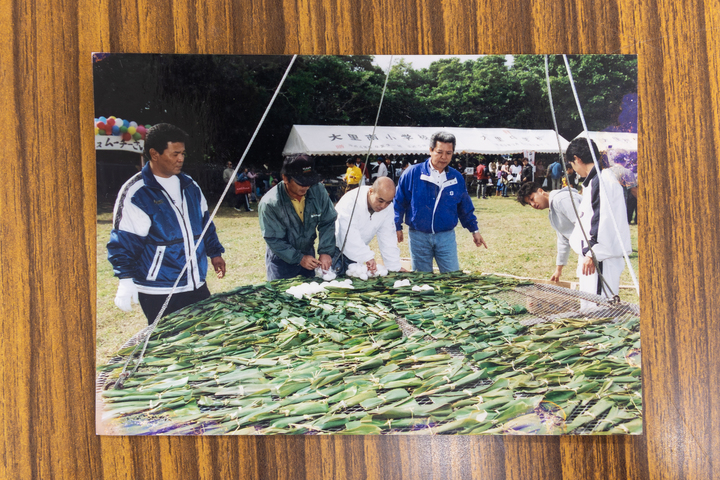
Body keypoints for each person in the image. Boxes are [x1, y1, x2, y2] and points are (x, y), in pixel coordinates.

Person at [108, 123, 226, 324]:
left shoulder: (190, 185)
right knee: (169, 346)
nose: (181, 159)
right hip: (159, 289)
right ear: (154, 154)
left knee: (205, 338)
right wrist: (125, 281)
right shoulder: (137, 193)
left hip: (196, 283)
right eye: (175, 154)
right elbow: (124, 241)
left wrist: (215, 253)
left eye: (183, 153)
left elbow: (205, 223)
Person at [394, 131, 487, 273]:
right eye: (439, 152)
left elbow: (465, 207)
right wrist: (397, 226)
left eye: (449, 153)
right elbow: (399, 202)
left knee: (452, 277)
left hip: (446, 237)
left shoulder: (456, 177)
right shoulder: (412, 173)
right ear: (430, 150)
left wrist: (474, 230)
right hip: (418, 236)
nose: (444, 157)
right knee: (422, 281)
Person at [566, 138, 631, 299]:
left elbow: (602, 219)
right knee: (591, 303)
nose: (573, 170)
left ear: (577, 159)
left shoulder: (601, 181)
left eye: (572, 164)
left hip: (599, 258)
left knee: (599, 307)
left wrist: (592, 253)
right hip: (595, 256)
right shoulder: (597, 180)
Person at [258, 155, 337, 281]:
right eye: (301, 182)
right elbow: (273, 239)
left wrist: (325, 251)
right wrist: (299, 258)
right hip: (281, 260)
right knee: (282, 298)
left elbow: (327, 221)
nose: (306, 187)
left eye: (309, 181)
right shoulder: (270, 203)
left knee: (309, 296)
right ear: (285, 178)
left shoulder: (318, 190)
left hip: (308, 255)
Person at [333, 177, 403, 275]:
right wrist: (367, 256)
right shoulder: (350, 202)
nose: (383, 206)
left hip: (358, 254)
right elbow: (347, 235)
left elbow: (388, 238)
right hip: (336, 252)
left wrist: (395, 267)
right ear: (371, 191)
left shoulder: (388, 208)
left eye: (388, 202)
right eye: (380, 200)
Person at [516, 182, 583, 282]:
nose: (533, 204)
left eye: (532, 199)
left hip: (598, 250)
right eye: (530, 204)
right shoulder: (553, 212)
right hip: (587, 252)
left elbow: (585, 225)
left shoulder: (560, 199)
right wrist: (558, 270)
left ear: (540, 191)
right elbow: (563, 240)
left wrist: (590, 255)